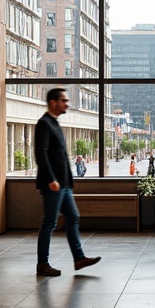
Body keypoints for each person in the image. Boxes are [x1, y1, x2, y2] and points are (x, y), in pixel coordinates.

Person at [34, 87, 101, 277]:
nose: (67, 104)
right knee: (49, 223)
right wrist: (51, 180)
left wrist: (68, 181)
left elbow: (61, 156)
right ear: (53, 102)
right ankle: (42, 264)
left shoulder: (54, 123)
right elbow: (41, 154)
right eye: (64, 100)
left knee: (73, 217)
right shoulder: (44, 124)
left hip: (63, 185)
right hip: (53, 185)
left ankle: (79, 259)